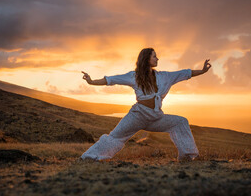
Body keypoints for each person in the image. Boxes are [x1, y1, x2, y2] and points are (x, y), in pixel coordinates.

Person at [80, 48, 211, 161]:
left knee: (180, 122)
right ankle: (89, 157)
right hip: (138, 116)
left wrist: (203, 71)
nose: (157, 58)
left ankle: (187, 157)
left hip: (155, 117)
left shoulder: (165, 76)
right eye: (154, 56)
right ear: (146, 58)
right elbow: (111, 79)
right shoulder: (134, 76)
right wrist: (91, 82)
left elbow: (185, 73)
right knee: (116, 136)